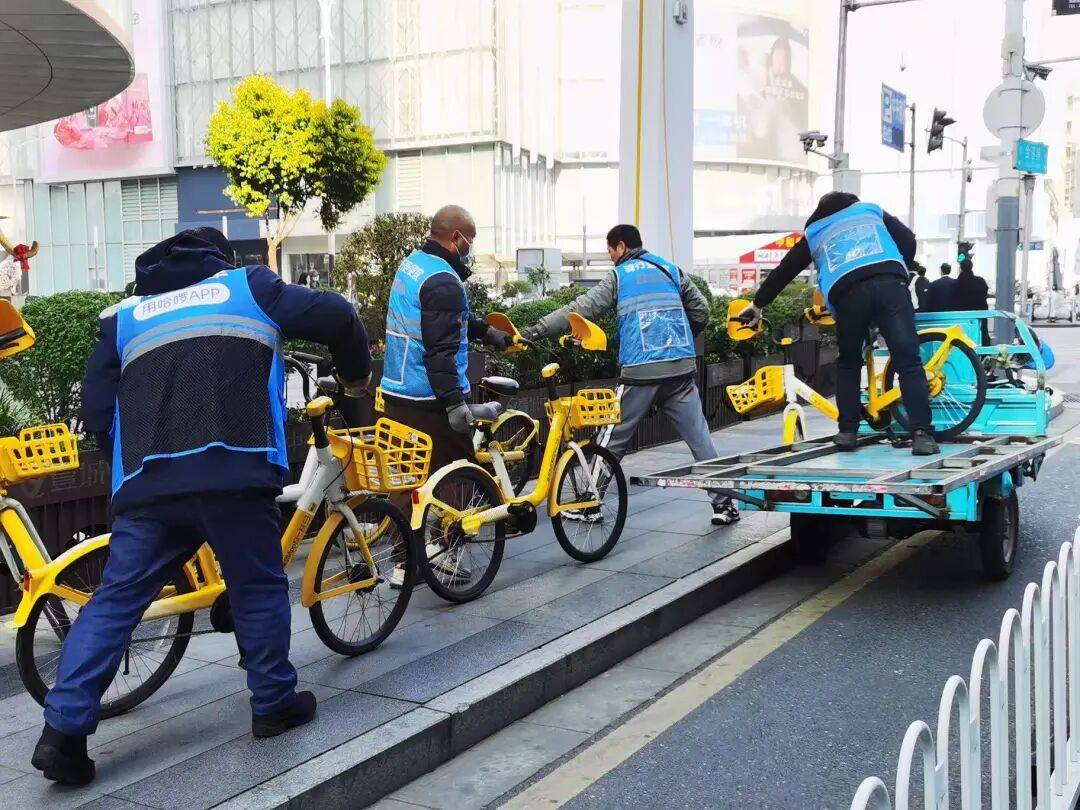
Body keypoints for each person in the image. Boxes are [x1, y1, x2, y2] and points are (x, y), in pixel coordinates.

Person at [32, 228, 372, 786]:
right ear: (219, 260)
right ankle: (273, 702)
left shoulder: (123, 317)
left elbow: (96, 409)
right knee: (257, 587)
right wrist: (356, 381)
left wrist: (134, 459)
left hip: (149, 486)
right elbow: (338, 315)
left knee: (115, 602)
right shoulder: (248, 286)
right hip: (234, 472)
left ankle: (62, 734)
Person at [521, 224, 740, 526]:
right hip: (680, 368)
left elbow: (582, 309)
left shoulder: (620, 275)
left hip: (641, 370)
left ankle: (590, 503)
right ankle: (725, 505)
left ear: (621, 247)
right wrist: (680, 339)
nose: (611, 257)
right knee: (700, 438)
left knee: (611, 437)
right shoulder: (670, 270)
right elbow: (701, 309)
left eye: (610, 251)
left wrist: (535, 331)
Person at [740, 192, 938, 456]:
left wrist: (758, 304)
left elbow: (786, 270)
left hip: (847, 293)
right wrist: (904, 265)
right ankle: (922, 434)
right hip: (890, 284)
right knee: (908, 360)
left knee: (849, 362)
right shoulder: (869, 210)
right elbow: (908, 239)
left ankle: (847, 432)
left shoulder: (815, 230)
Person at [380, 205, 512, 586]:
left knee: (408, 479)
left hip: (398, 390)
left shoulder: (414, 265)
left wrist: (486, 332)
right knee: (458, 476)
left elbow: (440, 321)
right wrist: (455, 404)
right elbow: (439, 351)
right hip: (431, 399)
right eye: (471, 240)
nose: (472, 248)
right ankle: (441, 552)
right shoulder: (443, 281)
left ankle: (403, 563)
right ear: (457, 237)